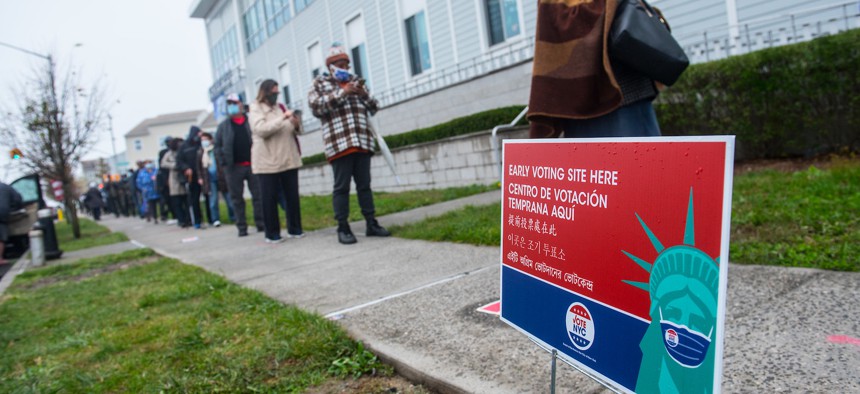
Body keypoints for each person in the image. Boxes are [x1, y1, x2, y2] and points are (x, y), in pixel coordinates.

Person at [527, 0, 662, 139]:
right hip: (591, 98)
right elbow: (562, 20)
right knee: (609, 158)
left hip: (633, 88)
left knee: (648, 157)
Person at [308, 42, 390, 245]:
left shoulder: (356, 81)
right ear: (329, 66)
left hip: (361, 140)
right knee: (341, 187)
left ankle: (371, 223)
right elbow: (316, 108)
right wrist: (342, 93)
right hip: (339, 143)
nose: (341, 66)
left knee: (365, 186)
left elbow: (374, 107)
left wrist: (362, 94)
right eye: (337, 63)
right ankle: (342, 227)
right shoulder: (319, 83)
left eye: (344, 63)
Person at [248, 79, 304, 243]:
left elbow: (297, 131)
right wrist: (283, 119)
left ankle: (295, 229)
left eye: (277, 92)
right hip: (267, 161)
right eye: (273, 92)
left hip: (288, 158)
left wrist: (295, 123)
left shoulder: (281, 108)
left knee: (292, 196)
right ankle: (272, 234)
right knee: (269, 199)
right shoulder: (256, 108)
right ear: (265, 92)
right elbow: (261, 130)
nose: (276, 95)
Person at [214, 93, 264, 237]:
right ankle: (242, 227)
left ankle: (261, 223)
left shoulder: (250, 121)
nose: (232, 106)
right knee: (237, 199)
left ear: (241, 104)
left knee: (258, 196)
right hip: (233, 168)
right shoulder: (224, 126)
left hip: (253, 164)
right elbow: (217, 146)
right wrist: (223, 161)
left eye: (235, 103)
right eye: (230, 104)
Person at [197, 131, 233, 227]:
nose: (204, 142)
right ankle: (215, 219)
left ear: (211, 140)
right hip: (209, 179)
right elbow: (199, 167)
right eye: (202, 140)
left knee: (229, 199)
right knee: (213, 201)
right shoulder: (201, 152)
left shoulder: (216, 150)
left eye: (206, 139)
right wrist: (200, 178)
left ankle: (233, 216)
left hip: (222, 177)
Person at [177, 126, 205, 229]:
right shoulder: (184, 147)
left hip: (203, 175)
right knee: (194, 200)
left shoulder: (200, 144)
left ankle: (211, 219)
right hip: (191, 176)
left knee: (207, 197)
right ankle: (197, 221)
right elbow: (179, 161)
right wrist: (186, 168)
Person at [160, 137, 191, 228]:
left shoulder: (183, 152)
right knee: (177, 202)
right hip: (174, 179)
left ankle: (188, 219)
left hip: (185, 177)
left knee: (187, 201)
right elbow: (163, 163)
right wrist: (175, 165)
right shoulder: (168, 154)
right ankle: (181, 220)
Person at [0, 181, 23, 264]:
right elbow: (17, 199)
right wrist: (13, 208)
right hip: (2, 213)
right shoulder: (6, 187)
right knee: (1, 236)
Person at [157, 136, 175, 223]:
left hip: (175, 177)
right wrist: (166, 180)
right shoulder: (163, 153)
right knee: (167, 199)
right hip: (166, 179)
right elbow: (162, 167)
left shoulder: (175, 150)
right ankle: (168, 214)